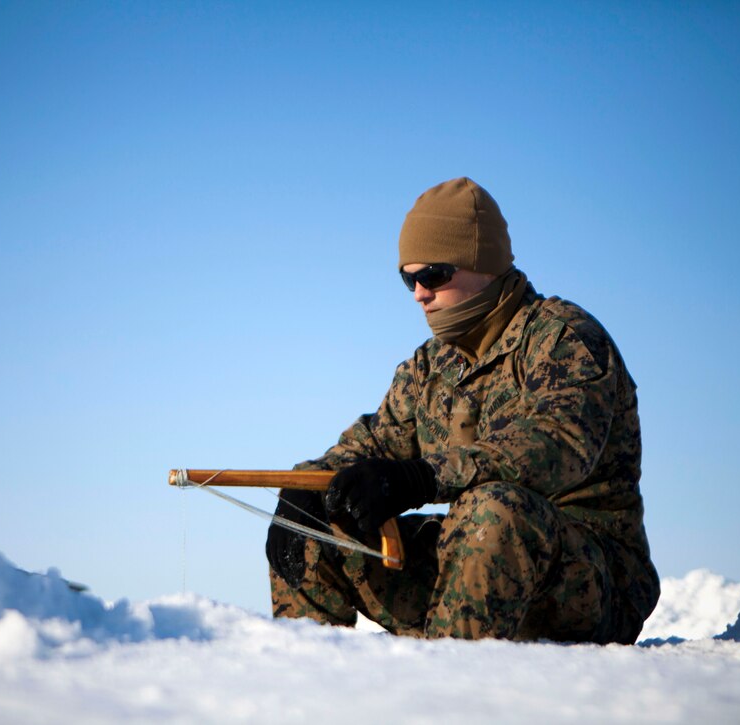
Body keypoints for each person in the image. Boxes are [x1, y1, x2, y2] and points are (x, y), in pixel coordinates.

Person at [265, 177, 659, 643]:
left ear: (482, 264)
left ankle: (449, 695)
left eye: (432, 275)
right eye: (407, 279)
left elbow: (556, 446)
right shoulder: (430, 364)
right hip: (474, 557)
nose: (419, 294)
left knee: (493, 510)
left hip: (588, 577)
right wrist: (309, 483)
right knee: (315, 522)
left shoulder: (563, 339)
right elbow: (374, 442)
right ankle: (310, 691)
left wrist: (419, 478)